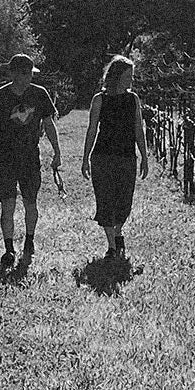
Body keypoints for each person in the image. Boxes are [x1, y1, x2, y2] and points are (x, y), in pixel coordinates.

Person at [0, 53, 61, 266]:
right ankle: (8, 249)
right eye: (23, 73)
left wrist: (57, 151)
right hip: (6, 157)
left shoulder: (40, 94)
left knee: (30, 202)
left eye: (30, 73)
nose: (27, 78)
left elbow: (49, 123)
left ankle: (29, 240)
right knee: (8, 204)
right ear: (13, 73)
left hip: (30, 157)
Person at [81, 54, 149, 259]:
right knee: (105, 200)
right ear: (117, 76)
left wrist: (144, 156)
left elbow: (139, 128)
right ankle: (112, 246)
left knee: (124, 202)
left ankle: (118, 232)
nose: (131, 80)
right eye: (128, 75)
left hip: (126, 157)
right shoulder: (100, 99)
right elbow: (92, 129)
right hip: (103, 156)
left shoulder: (133, 99)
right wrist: (85, 158)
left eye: (132, 76)